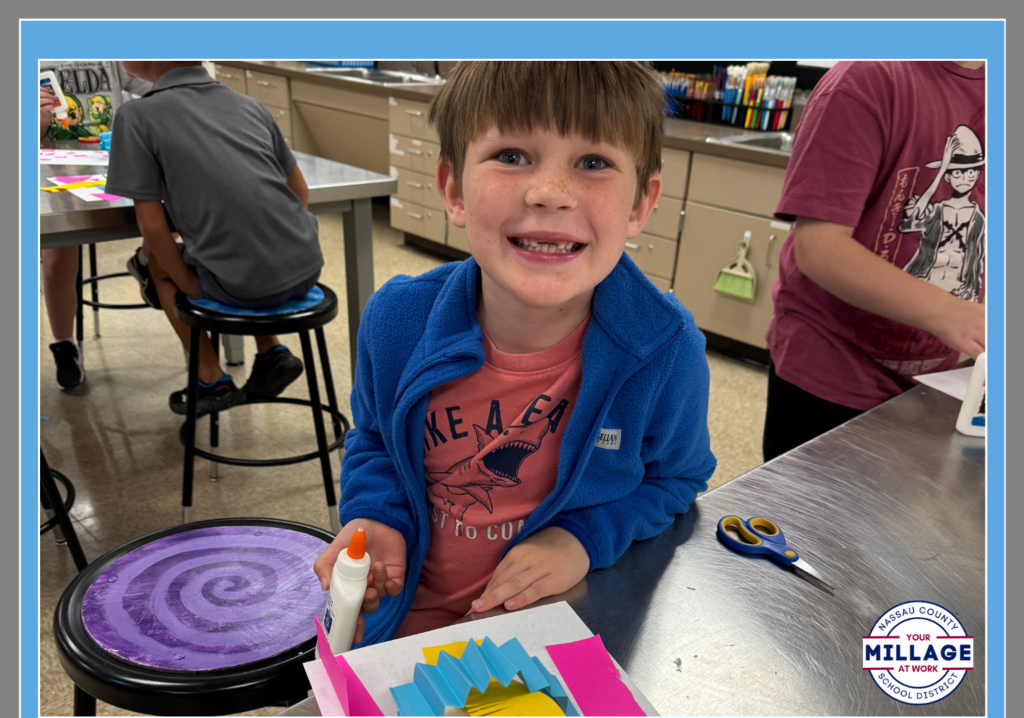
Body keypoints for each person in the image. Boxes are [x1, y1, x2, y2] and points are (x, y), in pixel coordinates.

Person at [313, 61, 716, 647]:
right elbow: (374, 439)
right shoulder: (397, 321)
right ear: (453, 189)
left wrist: (583, 538)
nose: (549, 193)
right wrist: (377, 516)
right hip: (397, 629)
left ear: (639, 204)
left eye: (594, 162)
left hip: (548, 639)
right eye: (512, 155)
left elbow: (678, 480)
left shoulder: (665, 352)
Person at [762, 61, 985, 462]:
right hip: (833, 373)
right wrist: (954, 314)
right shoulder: (867, 79)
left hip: (941, 380)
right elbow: (820, 248)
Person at [105, 61, 324, 415]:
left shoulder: (136, 117)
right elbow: (298, 189)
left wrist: (189, 284)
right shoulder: (248, 104)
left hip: (245, 284)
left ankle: (210, 378)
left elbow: (153, 227)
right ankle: (271, 351)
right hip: (306, 267)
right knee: (247, 251)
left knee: (156, 264)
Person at [39, 60, 151, 390]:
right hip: (52, 173)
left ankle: (147, 264)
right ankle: (64, 345)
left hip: (116, 164)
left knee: (173, 220)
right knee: (58, 261)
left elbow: (159, 83)